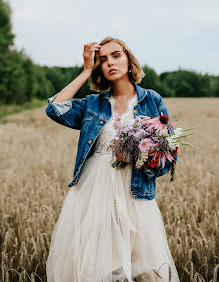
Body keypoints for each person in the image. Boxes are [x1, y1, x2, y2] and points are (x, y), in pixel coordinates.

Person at [45, 36, 180, 282]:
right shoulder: (93, 104)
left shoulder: (151, 100)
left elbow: (167, 156)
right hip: (93, 190)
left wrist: (135, 155)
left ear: (129, 60)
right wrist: (86, 70)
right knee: (93, 263)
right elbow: (55, 108)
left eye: (116, 55)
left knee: (139, 264)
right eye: (102, 60)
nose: (110, 63)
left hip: (135, 191)